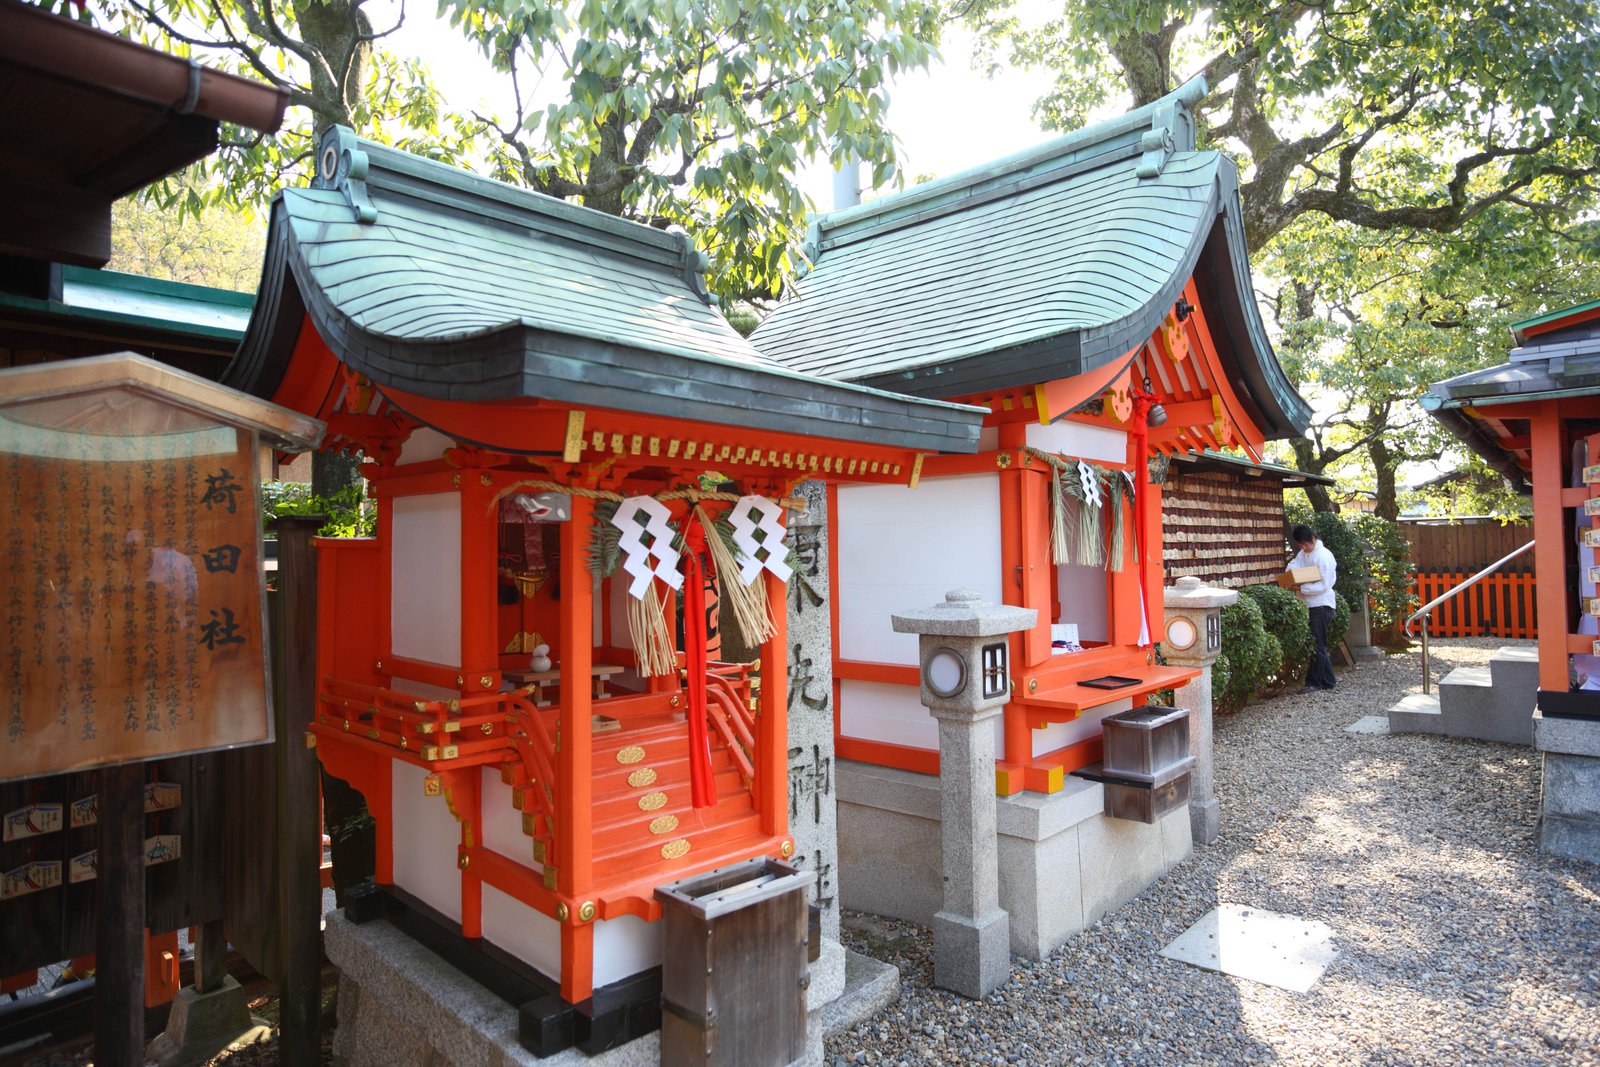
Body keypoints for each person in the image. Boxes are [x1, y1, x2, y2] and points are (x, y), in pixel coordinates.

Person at [1289, 524, 1338, 693]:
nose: (1303, 548)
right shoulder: (1303, 554)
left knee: (1318, 645)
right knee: (1317, 644)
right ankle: (1328, 681)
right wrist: (1298, 581)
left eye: (1305, 544)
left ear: (1312, 538)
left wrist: (1301, 587)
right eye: (1300, 545)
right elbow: (1291, 569)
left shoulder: (1324, 556)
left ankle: (1313, 682)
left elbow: (1324, 584)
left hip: (1321, 605)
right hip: (1309, 604)